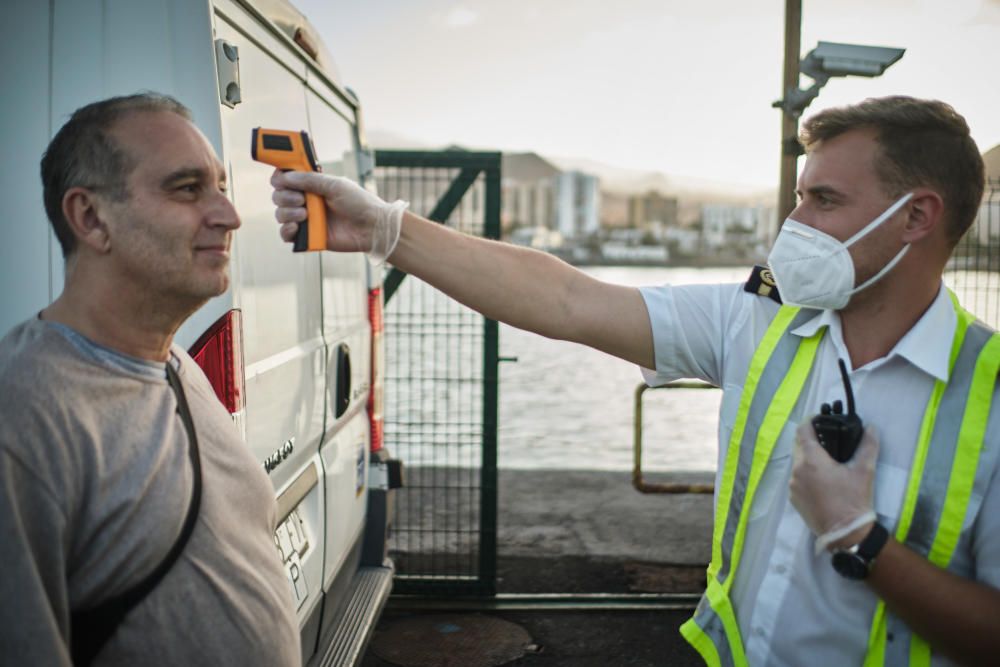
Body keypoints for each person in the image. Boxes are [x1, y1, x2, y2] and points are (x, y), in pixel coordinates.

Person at [270, 95, 1000, 665]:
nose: (795, 220)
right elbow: (567, 300)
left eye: (825, 200)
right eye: (801, 194)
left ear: (917, 217)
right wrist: (387, 232)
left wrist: (860, 537)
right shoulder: (763, 318)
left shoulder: (990, 397)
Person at [0, 93, 300, 666]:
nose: (229, 215)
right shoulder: (24, 414)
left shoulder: (176, 365)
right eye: (188, 189)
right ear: (90, 218)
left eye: (220, 186)